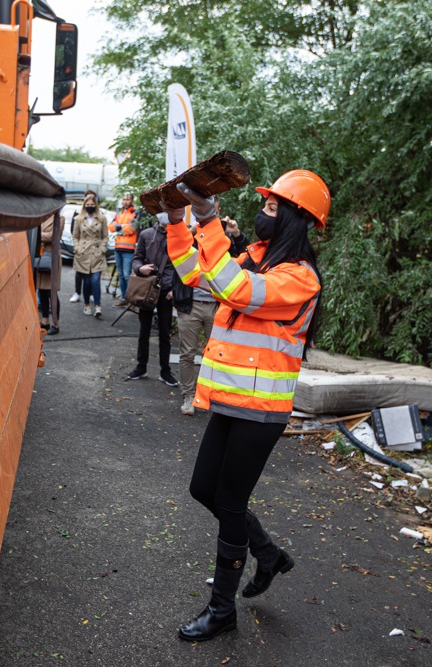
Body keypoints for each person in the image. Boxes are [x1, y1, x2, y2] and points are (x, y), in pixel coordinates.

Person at [163, 170, 329, 642]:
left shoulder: (299, 279)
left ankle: (222, 611)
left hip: (262, 412)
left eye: (273, 208)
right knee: (203, 490)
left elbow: (235, 291)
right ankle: (267, 552)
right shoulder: (254, 258)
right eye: (266, 204)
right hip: (233, 404)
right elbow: (198, 272)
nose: (264, 213)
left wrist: (207, 215)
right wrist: (178, 221)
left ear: (298, 221)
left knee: (230, 501)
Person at [173, 195, 248, 415]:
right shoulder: (189, 232)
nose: (205, 209)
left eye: (210, 206)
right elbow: (176, 262)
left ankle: (210, 397)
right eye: (201, 205)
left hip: (218, 306)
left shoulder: (225, 236)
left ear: (217, 209)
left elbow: (248, 261)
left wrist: (236, 234)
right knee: (187, 353)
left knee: (217, 355)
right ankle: (188, 395)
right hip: (191, 304)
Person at [126, 213, 179, 386]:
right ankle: (141, 367)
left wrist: (175, 288)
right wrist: (140, 268)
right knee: (144, 330)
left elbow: (183, 266)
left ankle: (165, 371)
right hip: (147, 288)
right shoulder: (146, 234)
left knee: (165, 332)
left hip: (166, 291)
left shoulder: (179, 236)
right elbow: (136, 259)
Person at [72, 191, 108, 318]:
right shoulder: (79, 219)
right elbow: (75, 236)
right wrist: (77, 248)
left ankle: (97, 306)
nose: (90, 206)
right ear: (84, 205)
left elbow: (105, 236)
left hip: (97, 253)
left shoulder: (102, 218)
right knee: (86, 282)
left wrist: (102, 249)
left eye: (92, 204)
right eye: (87, 204)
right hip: (83, 254)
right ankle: (87, 305)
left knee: (95, 280)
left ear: (96, 205)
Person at [109, 193, 139, 307]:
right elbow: (111, 227)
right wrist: (123, 226)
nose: (125, 201)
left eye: (128, 199)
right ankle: (124, 298)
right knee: (121, 275)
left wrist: (119, 226)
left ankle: (131, 300)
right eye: (124, 199)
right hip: (118, 248)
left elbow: (131, 229)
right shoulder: (118, 214)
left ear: (132, 200)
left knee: (127, 275)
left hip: (129, 249)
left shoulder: (135, 214)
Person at [36, 213, 60, 335]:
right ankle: (45, 322)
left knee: (52, 292)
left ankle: (56, 323)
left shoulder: (59, 218)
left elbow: (53, 236)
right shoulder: (41, 217)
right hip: (41, 256)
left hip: (51, 257)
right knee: (42, 291)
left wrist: (38, 235)